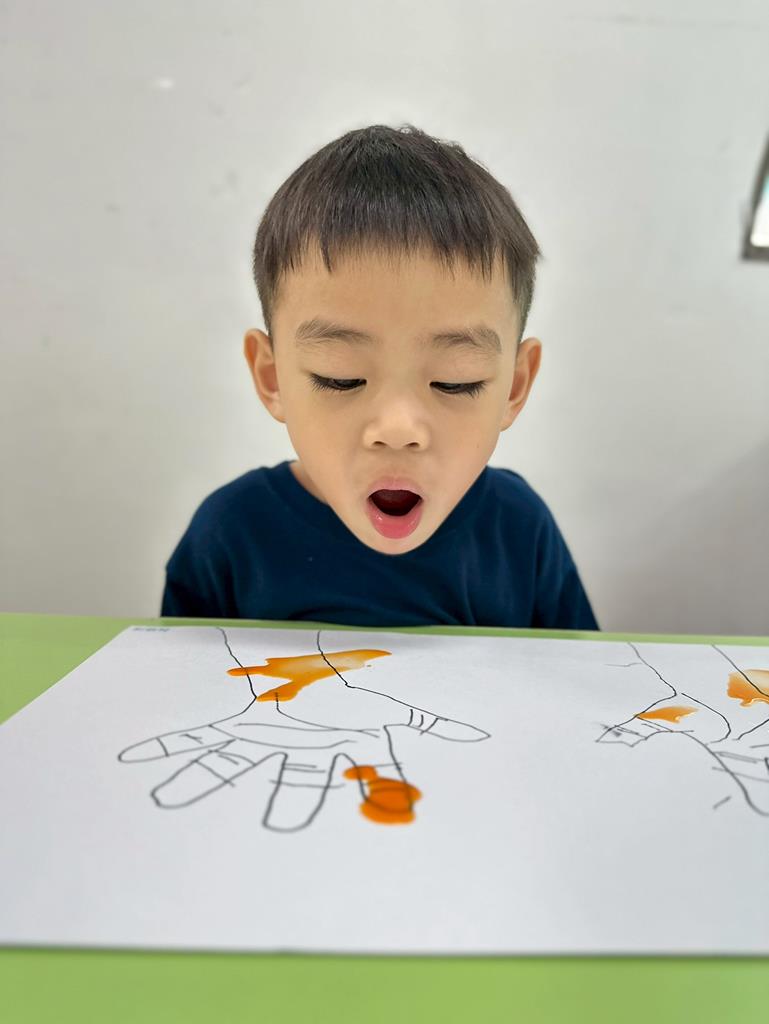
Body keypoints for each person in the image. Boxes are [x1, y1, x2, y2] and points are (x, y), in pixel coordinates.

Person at [161, 123, 599, 631]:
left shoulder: (519, 531)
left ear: (515, 387)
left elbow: (585, 675)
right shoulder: (230, 536)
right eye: (340, 378)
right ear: (272, 377)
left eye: (455, 382)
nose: (397, 428)